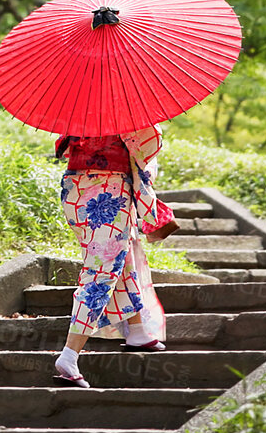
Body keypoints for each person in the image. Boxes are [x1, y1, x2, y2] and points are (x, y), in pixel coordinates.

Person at [52, 125, 179, 388]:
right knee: (101, 271)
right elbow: (147, 146)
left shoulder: (81, 105)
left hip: (74, 187)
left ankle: (137, 331)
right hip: (109, 189)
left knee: (121, 255)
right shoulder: (127, 108)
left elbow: (64, 147)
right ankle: (70, 354)